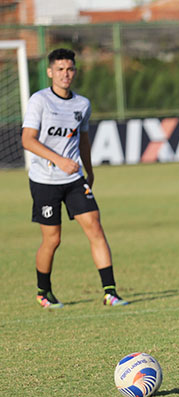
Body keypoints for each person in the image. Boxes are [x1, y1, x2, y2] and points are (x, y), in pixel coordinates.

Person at [21, 48, 128, 309]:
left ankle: (110, 292)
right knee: (53, 239)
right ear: (50, 73)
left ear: (75, 72)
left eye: (69, 69)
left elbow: (84, 139)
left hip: (74, 179)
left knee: (95, 228)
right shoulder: (40, 101)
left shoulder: (82, 104)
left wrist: (88, 170)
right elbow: (27, 139)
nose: (65, 74)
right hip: (45, 179)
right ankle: (43, 292)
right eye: (59, 69)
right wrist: (58, 160)